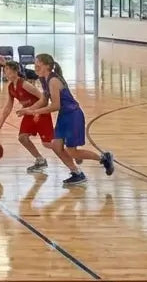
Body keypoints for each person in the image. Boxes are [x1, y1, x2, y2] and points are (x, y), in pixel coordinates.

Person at [18, 53, 115, 187]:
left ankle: (104, 158)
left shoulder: (53, 81)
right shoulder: (44, 79)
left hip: (73, 115)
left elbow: (55, 105)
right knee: (56, 146)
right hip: (64, 116)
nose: (35, 66)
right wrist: (29, 110)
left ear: (46, 66)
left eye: (38, 63)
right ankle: (76, 173)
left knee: (71, 151)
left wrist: (35, 111)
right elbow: (44, 100)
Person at [0, 61, 50, 173]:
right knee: (22, 137)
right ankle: (40, 160)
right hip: (28, 114)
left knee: (48, 143)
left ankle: (71, 152)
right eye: (5, 71)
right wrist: (0, 123)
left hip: (40, 113)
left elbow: (43, 99)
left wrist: (36, 111)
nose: (6, 73)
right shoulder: (10, 87)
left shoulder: (25, 84)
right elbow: (8, 107)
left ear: (15, 71)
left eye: (7, 70)